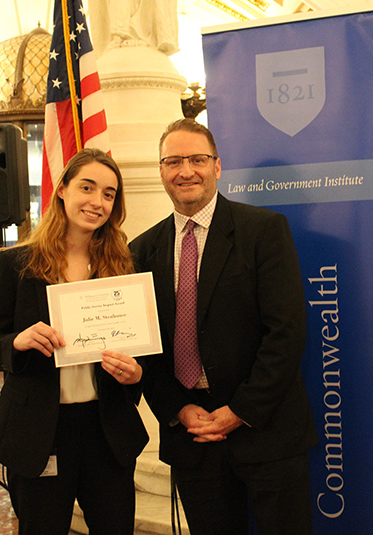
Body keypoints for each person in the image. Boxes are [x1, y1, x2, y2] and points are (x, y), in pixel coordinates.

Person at [129, 118, 318, 534]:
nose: (186, 171)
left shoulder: (263, 231)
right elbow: (145, 347)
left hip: (267, 431)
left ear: (217, 166)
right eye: (173, 161)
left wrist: (240, 411)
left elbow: (286, 333)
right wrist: (176, 408)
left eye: (198, 159)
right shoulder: (141, 250)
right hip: (191, 436)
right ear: (161, 171)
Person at [0, 148, 149, 535]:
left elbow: (144, 353)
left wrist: (136, 372)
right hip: (39, 432)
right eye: (87, 187)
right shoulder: (17, 264)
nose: (97, 201)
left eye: (108, 194)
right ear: (62, 190)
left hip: (106, 431)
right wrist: (17, 341)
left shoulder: (125, 265)